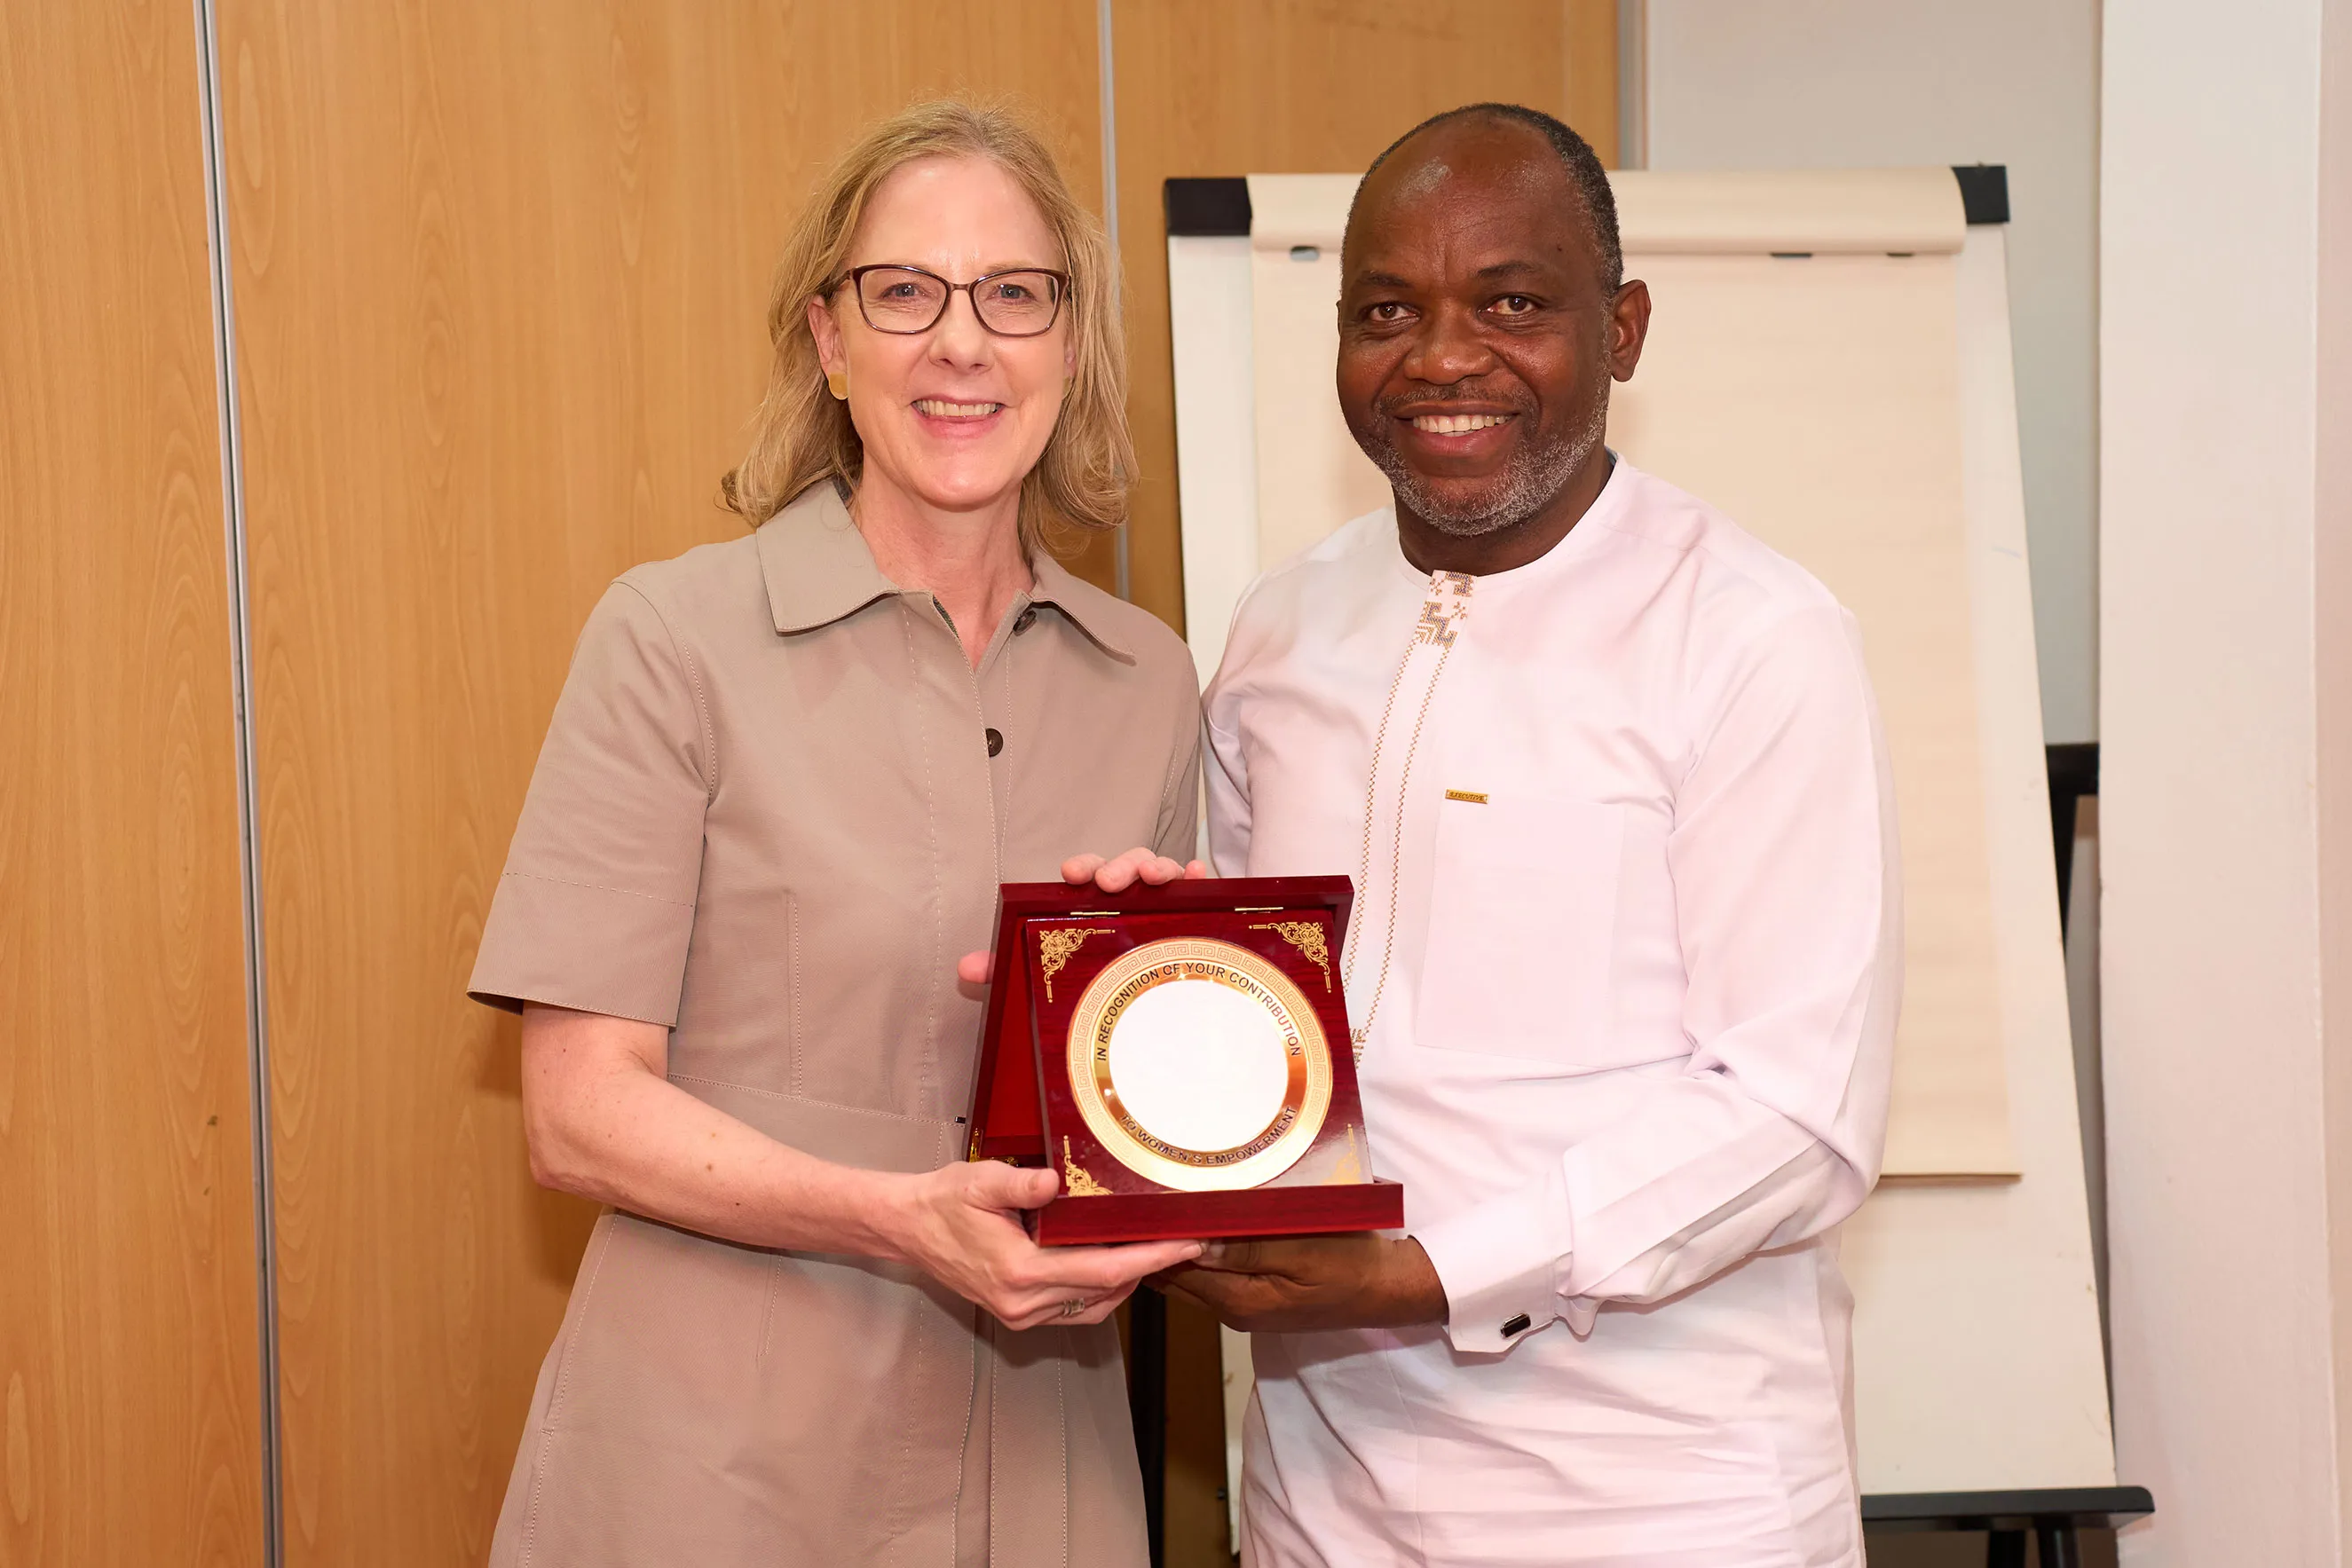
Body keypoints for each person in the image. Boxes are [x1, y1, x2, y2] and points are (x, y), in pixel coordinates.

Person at [465, 100, 1205, 1567]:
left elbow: (1143, 1130)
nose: (960, 342)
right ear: (828, 338)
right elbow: (574, 1110)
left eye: (1013, 293)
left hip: (1046, 1478)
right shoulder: (672, 636)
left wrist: (1166, 1015)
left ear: (1069, 340)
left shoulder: (1150, 679)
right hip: (721, 1475)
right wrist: (899, 1217)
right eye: (903, 292)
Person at [1165, 103, 1901, 1567]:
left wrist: (1428, 1269)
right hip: (1325, 1505)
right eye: (1385, 309)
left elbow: (1794, 1116)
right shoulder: (1277, 634)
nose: (1441, 356)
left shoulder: (1754, 639)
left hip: (1662, 1502)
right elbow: (1256, 1031)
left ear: (1620, 329)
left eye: (1510, 302)